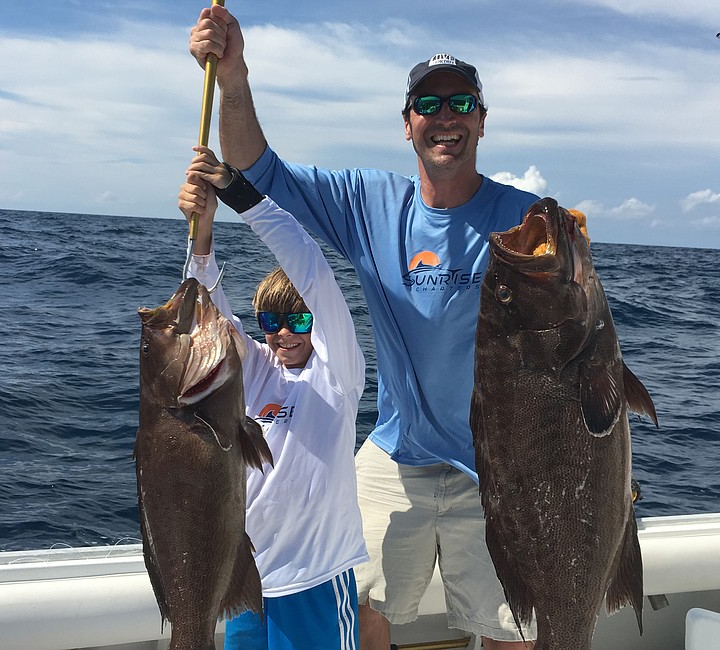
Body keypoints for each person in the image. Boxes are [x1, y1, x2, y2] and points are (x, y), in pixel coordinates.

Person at [189, 7, 539, 648]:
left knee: (511, 626)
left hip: (501, 463)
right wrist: (234, 80)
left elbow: (579, 350)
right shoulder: (370, 202)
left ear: (482, 120)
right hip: (395, 448)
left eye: (462, 102)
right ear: (407, 125)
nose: (446, 116)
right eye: (428, 104)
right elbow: (261, 174)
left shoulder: (525, 222)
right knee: (363, 602)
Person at [178, 145, 368, 650]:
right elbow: (203, 318)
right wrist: (203, 234)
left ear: (317, 324)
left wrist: (243, 197)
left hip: (316, 582)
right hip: (248, 581)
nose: (284, 333)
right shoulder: (256, 370)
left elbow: (312, 270)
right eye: (271, 322)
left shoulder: (338, 376)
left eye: (300, 320)